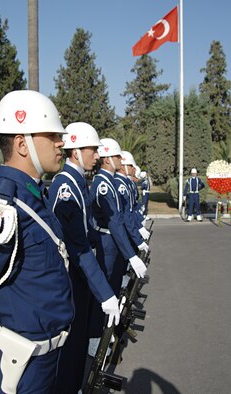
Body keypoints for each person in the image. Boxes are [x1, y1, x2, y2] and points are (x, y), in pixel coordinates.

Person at [0, 90, 75, 394]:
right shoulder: (3, 209)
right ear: (22, 144)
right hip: (16, 371)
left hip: (46, 363)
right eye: (53, 135)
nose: (62, 142)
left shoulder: (34, 197)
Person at [47, 123, 120, 393]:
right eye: (92, 149)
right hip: (73, 276)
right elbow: (77, 244)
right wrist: (105, 293)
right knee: (71, 349)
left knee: (79, 347)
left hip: (82, 274)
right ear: (76, 152)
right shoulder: (66, 186)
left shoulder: (77, 182)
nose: (97, 155)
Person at [88, 138, 148, 356]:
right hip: (106, 241)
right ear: (106, 159)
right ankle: (98, 335)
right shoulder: (104, 184)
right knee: (105, 290)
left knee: (113, 287)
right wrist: (131, 253)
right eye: (116, 157)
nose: (120, 161)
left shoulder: (111, 182)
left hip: (113, 240)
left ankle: (106, 329)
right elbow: (114, 221)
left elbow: (123, 216)